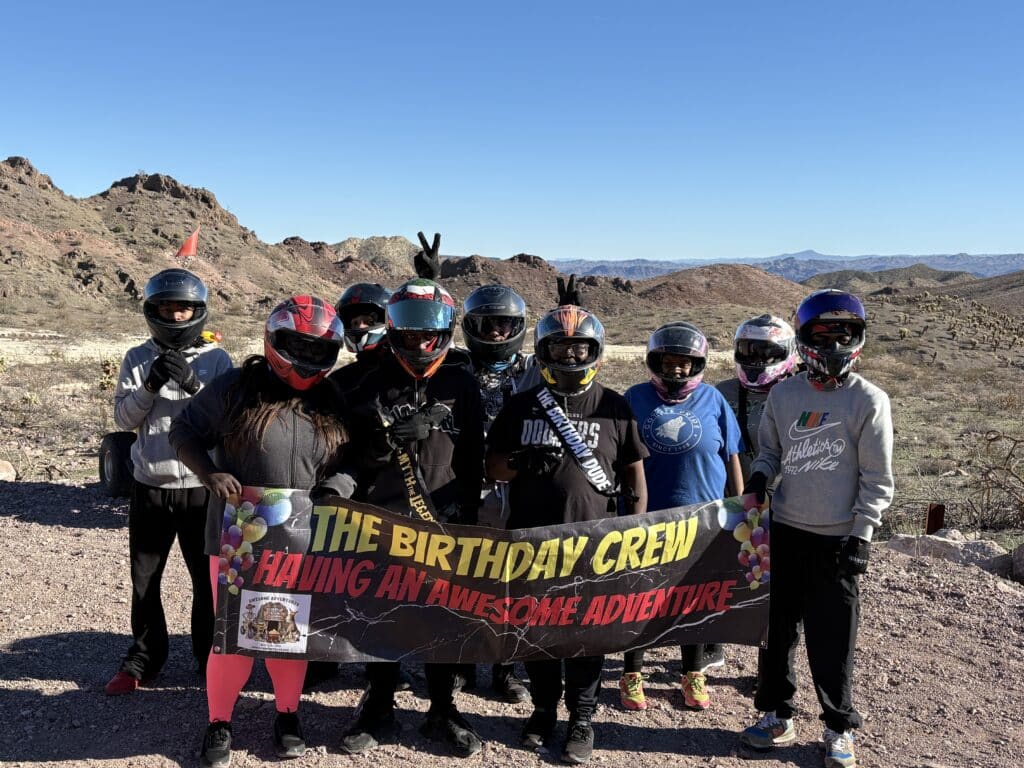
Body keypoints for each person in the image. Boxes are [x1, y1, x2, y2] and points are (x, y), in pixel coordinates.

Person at [169, 296, 351, 767]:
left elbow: (354, 461)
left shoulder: (332, 400)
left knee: (290, 635)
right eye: (298, 346)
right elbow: (183, 431)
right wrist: (209, 474)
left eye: (319, 350)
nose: (308, 359)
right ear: (275, 341)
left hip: (304, 536)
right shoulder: (236, 388)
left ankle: (287, 715)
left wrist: (336, 486)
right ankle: (219, 722)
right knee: (231, 635)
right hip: (236, 537)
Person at [738, 289, 894, 768]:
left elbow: (877, 478)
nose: (832, 344)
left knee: (833, 636)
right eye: (822, 335)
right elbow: (770, 451)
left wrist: (862, 534)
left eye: (842, 334)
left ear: (857, 339)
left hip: (837, 538)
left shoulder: (869, 400)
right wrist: (761, 476)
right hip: (784, 530)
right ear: (804, 340)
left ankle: (837, 726)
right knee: (776, 631)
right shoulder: (785, 394)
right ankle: (776, 714)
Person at [486, 304, 648, 764]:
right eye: (560, 347)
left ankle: (582, 718)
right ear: (544, 351)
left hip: (595, 547)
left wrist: (635, 532)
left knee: (586, 637)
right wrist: (520, 462)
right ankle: (542, 711)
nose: (570, 356)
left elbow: (634, 476)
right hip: (531, 545)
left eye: (580, 348)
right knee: (536, 634)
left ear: (595, 352)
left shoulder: (614, 406)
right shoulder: (522, 405)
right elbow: (493, 466)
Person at [337, 278, 486, 758]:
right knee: (380, 614)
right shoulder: (368, 380)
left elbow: (474, 457)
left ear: (444, 332)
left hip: (444, 519)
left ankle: (442, 708)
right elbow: (350, 455)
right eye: (411, 333)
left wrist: (469, 515)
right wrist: (383, 445)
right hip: (381, 517)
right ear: (393, 329)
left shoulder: (462, 382)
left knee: (440, 617)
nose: (421, 343)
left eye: (430, 334)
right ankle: (378, 702)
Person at [105, 268, 233, 696]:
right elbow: (124, 419)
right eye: (166, 307)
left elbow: (229, 425)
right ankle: (143, 657)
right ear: (152, 310)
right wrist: (151, 384)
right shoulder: (136, 357)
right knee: (146, 580)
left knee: (207, 580)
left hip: (201, 489)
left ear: (197, 312)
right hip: (151, 485)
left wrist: (195, 384)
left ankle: (208, 657)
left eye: (183, 308)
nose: (175, 315)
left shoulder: (217, 360)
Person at [617, 321, 744, 712]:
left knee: (694, 597)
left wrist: (740, 510)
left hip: (703, 517)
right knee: (640, 596)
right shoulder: (634, 397)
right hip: (646, 516)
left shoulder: (714, 400)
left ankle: (693, 672)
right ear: (654, 361)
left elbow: (732, 457)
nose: (676, 370)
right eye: (667, 362)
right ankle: (632, 673)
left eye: (684, 364)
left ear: (697, 365)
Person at [456, 283, 536, 704]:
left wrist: (570, 312)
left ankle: (506, 668)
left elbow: (573, 352)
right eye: (488, 325)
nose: (498, 333)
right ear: (471, 327)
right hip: (466, 481)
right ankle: (462, 662)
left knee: (512, 578)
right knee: (464, 574)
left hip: (517, 482)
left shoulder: (533, 368)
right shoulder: (454, 365)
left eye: (506, 325)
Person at [715, 314, 800, 695]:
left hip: (787, 508)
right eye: (750, 350)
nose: (757, 358)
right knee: (720, 576)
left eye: (767, 351)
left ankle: (773, 670)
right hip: (733, 502)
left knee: (779, 596)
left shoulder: (802, 394)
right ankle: (709, 641)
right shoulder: (721, 392)